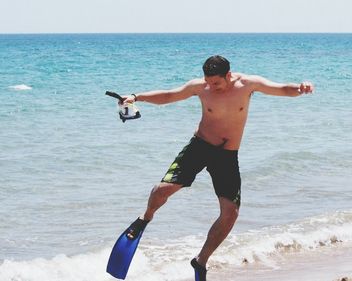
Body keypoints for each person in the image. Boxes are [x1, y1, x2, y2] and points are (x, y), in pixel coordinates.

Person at [122, 55, 313, 281]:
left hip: (227, 156)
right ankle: (145, 218)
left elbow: (280, 89)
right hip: (200, 147)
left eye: (216, 83)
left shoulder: (248, 85)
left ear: (229, 76)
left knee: (230, 213)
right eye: (208, 82)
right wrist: (137, 97)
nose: (211, 87)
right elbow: (170, 95)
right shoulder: (201, 87)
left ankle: (200, 261)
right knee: (163, 189)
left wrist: (300, 88)